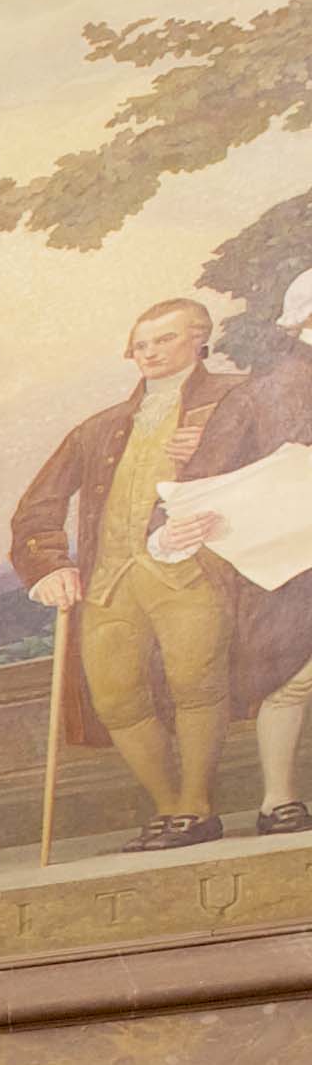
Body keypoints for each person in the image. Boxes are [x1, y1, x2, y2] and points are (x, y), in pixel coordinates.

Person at [7, 296, 249, 850]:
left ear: (198, 337)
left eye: (163, 340)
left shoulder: (238, 399)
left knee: (197, 685)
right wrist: (48, 565)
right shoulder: (101, 428)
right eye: (140, 345)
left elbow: (286, 466)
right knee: (115, 698)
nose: (149, 352)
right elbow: (36, 508)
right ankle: (168, 807)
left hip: (194, 571)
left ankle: (197, 807)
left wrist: (220, 453)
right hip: (109, 581)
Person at [195, 269, 312, 838]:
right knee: (292, 677)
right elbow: (203, 478)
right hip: (292, 561)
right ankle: (278, 800)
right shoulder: (260, 394)